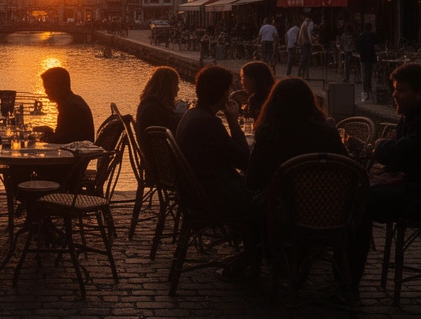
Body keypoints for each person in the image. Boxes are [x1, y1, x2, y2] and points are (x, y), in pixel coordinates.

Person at [348, 63, 421, 284]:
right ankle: (345, 274)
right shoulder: (417, 115)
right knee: (357, 192)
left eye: (401, 90)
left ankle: (347, 279)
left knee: (359, 198)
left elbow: (398, 153)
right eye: (395, 89)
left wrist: (379, 144)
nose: (394, 95)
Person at [174, 65, 252, 275]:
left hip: (196, 195)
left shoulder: (192, 116)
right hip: (213, 199)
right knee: (266, 199)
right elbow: (243, 160)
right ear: (223, 93)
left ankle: (250, 256)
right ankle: (251, 259)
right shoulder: (209, 123)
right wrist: (234, 123)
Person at [245, 78, 346, 195]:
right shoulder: (327, 132)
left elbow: (252, 181)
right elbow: (347, 169)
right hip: (325, 204)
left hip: (280, 206)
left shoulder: (269, 134)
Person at [35, 66, 94, 144]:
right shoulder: (73, 101)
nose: (46, 91)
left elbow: (61, 142)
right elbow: (64, 136)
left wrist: (40, 138)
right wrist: (49, 132)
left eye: (48, 88)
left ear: (61, 87)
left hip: (76, 154)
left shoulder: (72, 109)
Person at [136, 66, 184, 134]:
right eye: (176, 85)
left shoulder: (149, 103)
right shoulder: (153, 109)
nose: (178, 89)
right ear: (167, 87)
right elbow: (175, 125)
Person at [356, 22, 382, 103]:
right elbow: (379, 41)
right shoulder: (372, 35)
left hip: (363, 57)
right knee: (370, 74)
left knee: (364, 75)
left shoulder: (361, 35)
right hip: (371, 57)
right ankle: (370, 90)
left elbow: (357, 46)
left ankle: (365, 92)